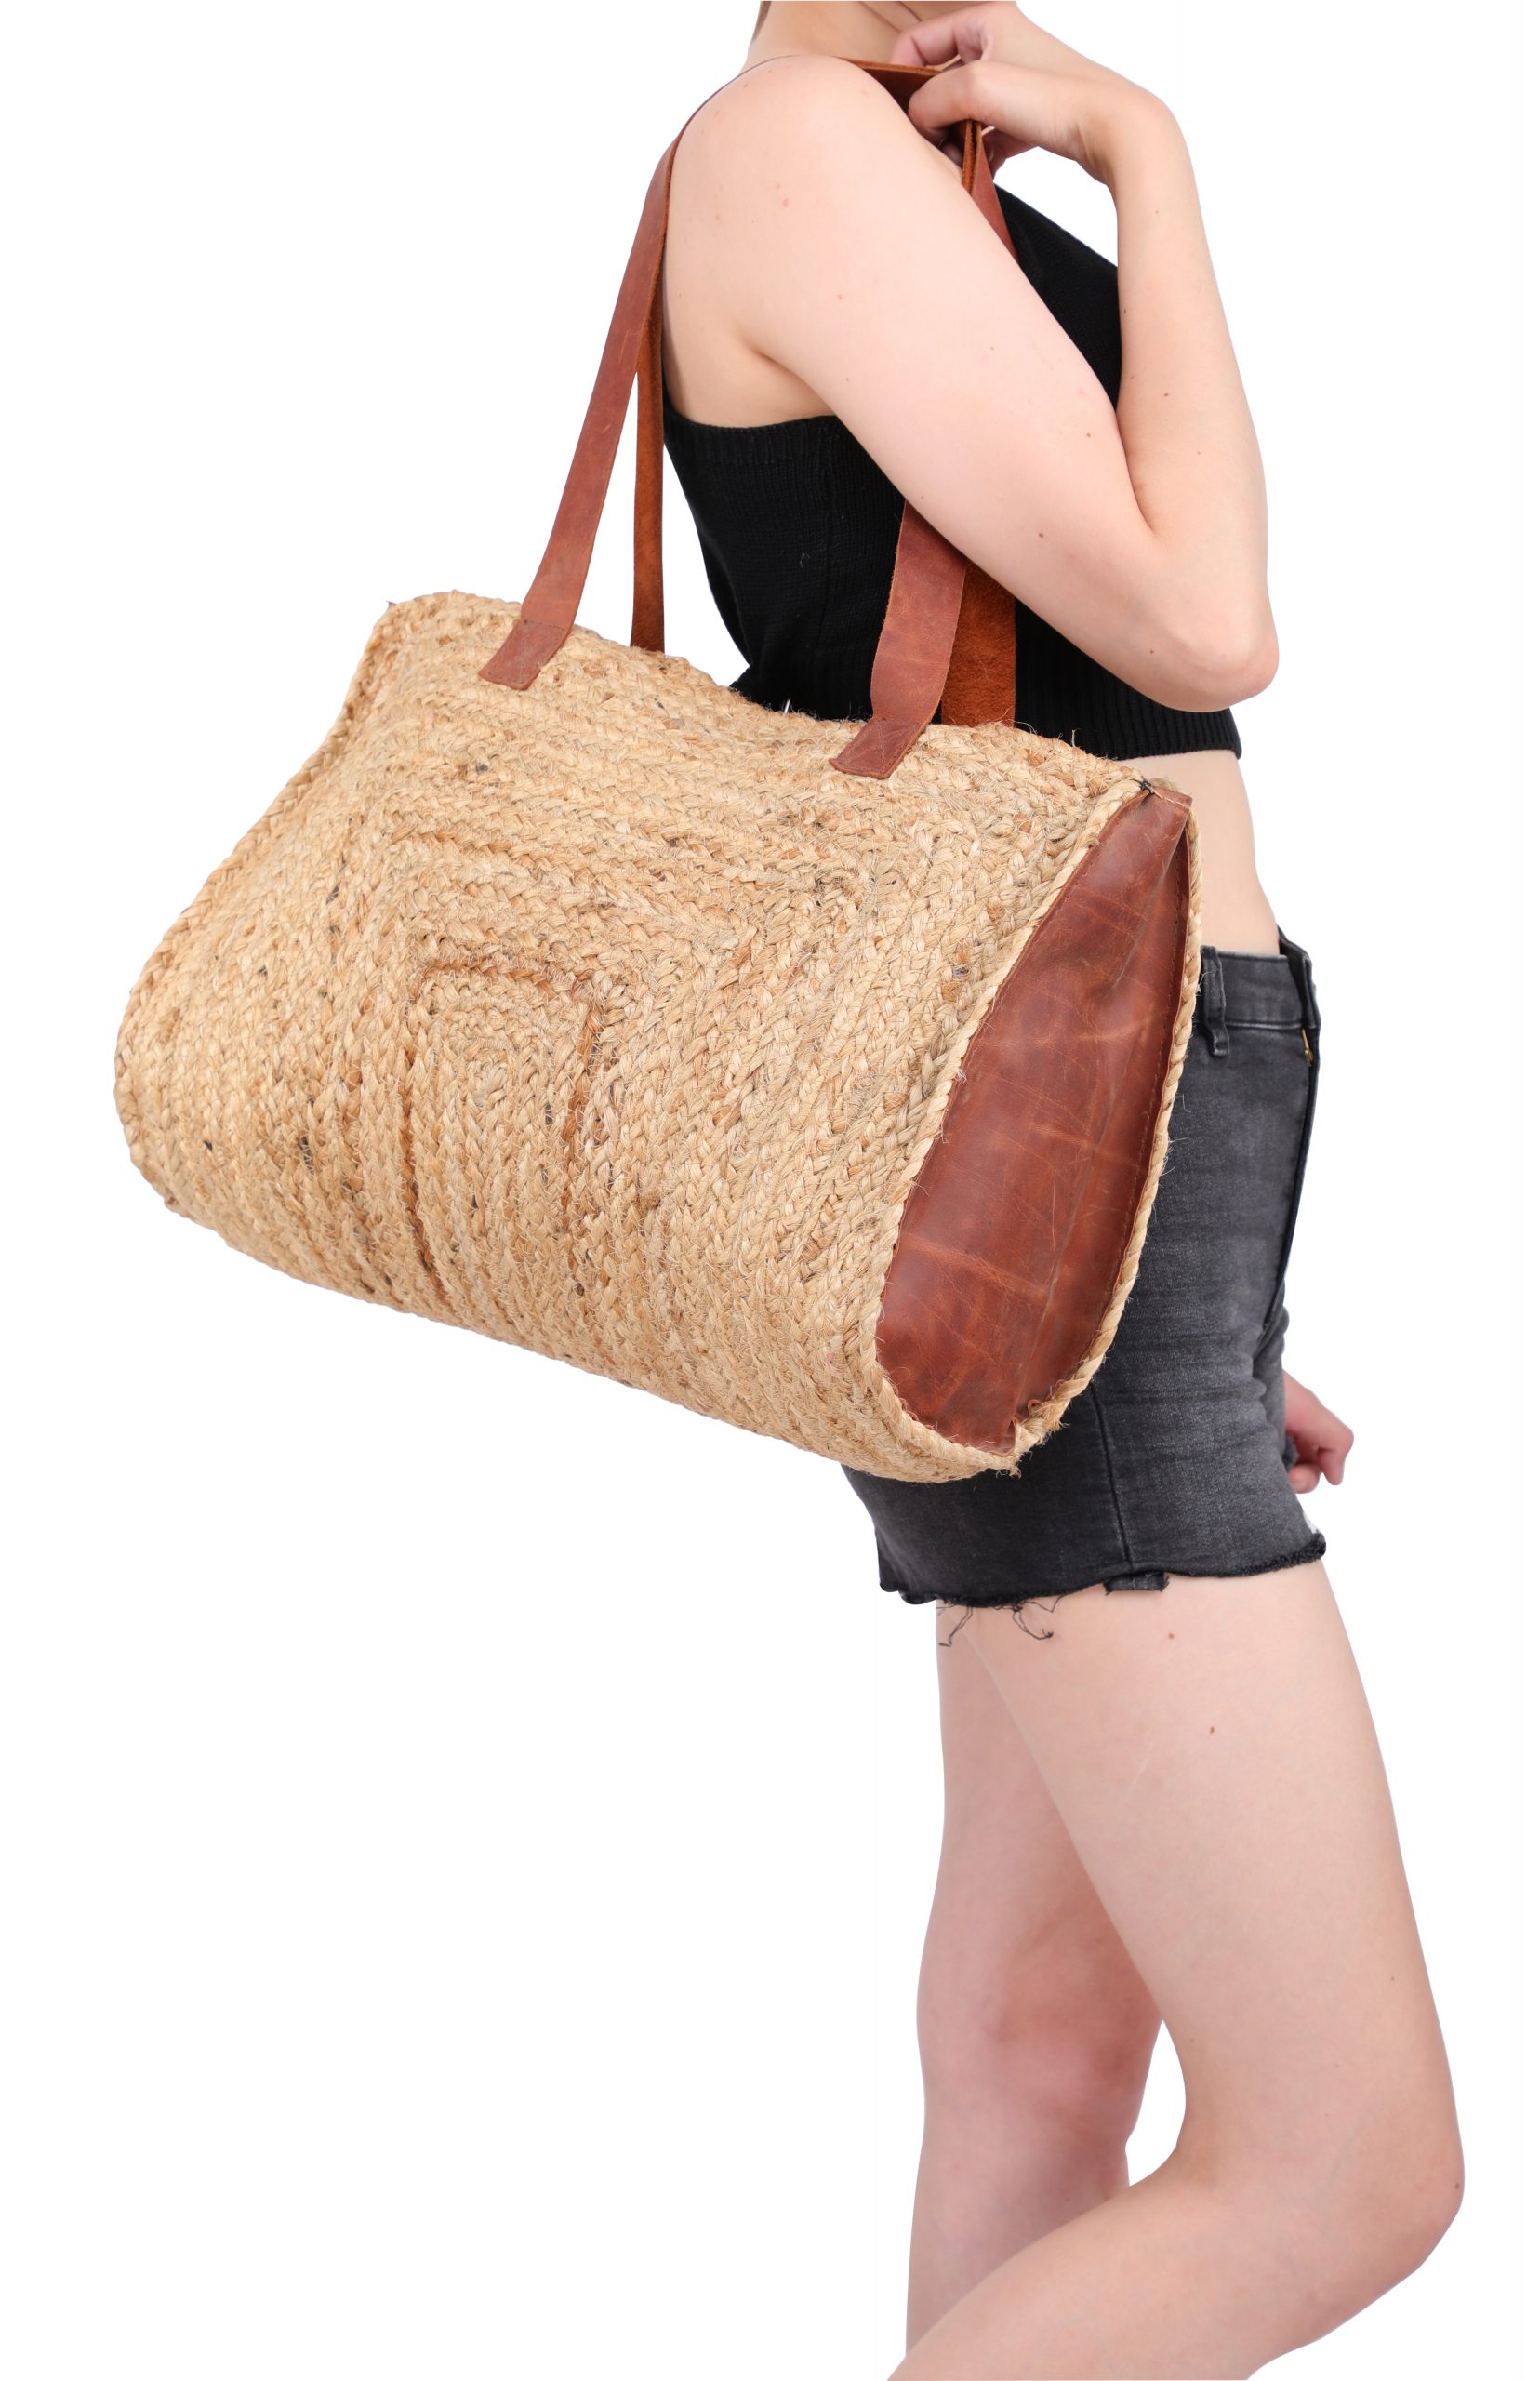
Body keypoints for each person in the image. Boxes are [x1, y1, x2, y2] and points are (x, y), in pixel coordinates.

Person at [658, 7, 1462, 2374]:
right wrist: (1154, 150)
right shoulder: (796, 144)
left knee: (1040, 2045)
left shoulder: (896, 173)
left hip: (1094, 1172)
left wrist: (1191, 1311)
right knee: (1350, 2160)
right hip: (1054, 1162)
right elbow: (1204, 624)